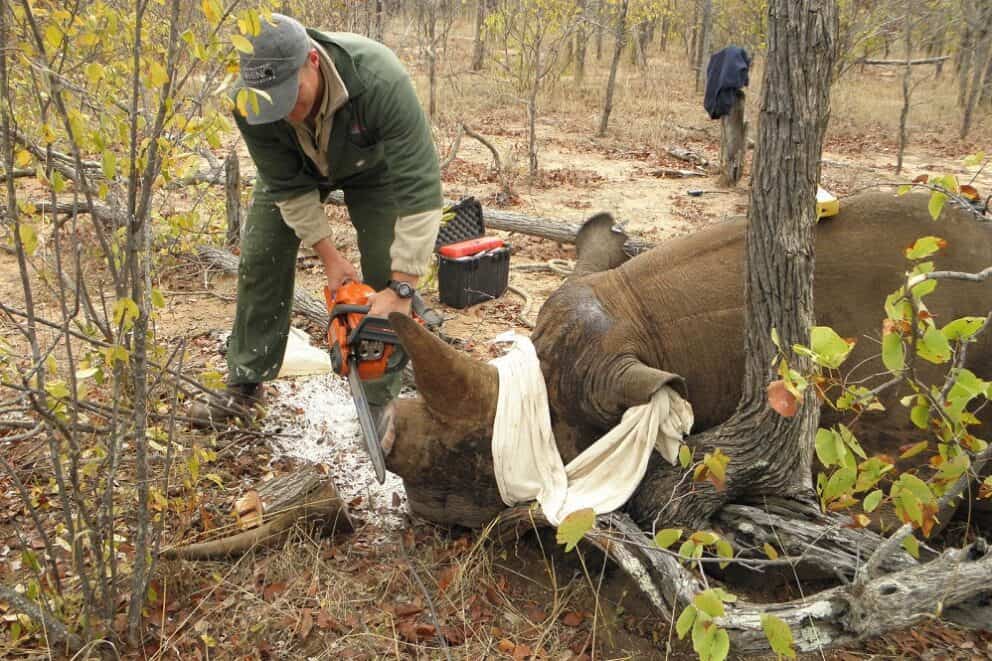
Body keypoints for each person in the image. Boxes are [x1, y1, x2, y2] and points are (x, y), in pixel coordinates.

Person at [190, 14, 442, 428]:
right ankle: (246, 384)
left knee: (386, 266)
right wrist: (328, 256)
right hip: (296, 171)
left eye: (292, 96)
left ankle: (379, 400)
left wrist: (402, 285)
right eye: (271, 102)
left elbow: (420, 188)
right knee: (261, 257)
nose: (285, 111)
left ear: (312, 60)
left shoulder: (379, 78)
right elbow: (286, 186)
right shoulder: (248, 103)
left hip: (372, 171)